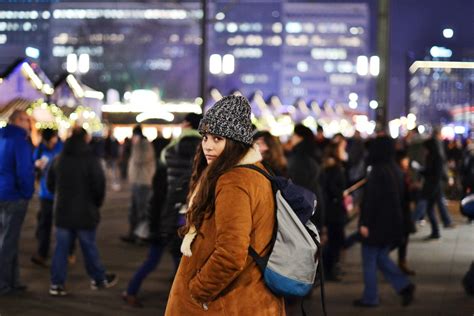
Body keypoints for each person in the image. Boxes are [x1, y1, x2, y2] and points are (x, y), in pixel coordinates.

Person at [165, 95, 285, 315]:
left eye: (217, 139)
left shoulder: (233, 180)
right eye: (205, 137)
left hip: (227, 302)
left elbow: (231, 253)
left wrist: (198, 290)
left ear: (235, 142)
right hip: (250, 296)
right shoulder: (256, 171)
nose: (208, 146)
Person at [122, 113, 202, 308]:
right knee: (182, 260)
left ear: (186, 125)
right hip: (189, 213)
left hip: (166, 211)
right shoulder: (205, 152)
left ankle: (131, 290)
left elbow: (159, 187)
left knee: (155, 257)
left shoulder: (170, 150)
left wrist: (154, 216)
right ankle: (181, 302)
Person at [47, 127, 117, 296]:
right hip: (85, 210)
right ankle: (98, 278)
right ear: (85, 139)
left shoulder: (59, 159)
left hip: (63, 211)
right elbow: (99, 186)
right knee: (88, 245)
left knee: (61, 248)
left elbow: (50, 185)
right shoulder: (91, 159)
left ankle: (57, 284)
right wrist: (96, 204)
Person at [354, 136, 415, 307]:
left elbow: (371, 200)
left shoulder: (378, 170)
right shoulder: (395, 169)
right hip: (391, 223)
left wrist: (364, 223)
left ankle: (370, 297)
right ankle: (404, 286)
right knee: (381, 257)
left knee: (369, 260)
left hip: (375, 224)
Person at [0, 110, 34, 296]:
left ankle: (13, 280)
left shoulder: (2, 137)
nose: (28, 124)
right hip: (14, 196)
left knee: (7, 239)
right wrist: (27, 192)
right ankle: (5, 283)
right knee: (8, 242)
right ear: (17, 121)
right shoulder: (19, 140)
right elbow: (24, 171)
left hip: (2, 192)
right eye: (26, 120)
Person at [30, 129, 65, 267]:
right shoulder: (40, 149)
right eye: (47, 142)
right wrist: (37, 165)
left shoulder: (62, 149)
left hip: (61, 193)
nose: (50, 144)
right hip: (45, 193)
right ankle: (42, 254)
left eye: (51, 141)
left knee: (63, 226)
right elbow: (33, 162)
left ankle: (67, 252)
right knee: (45, 224)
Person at [121, 125, 156, 244]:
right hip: (137, 181)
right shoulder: (139, 145)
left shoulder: (144, 144)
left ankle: (142, 235)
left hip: (143, 182)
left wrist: (135, 146)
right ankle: (133, 233)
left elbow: (139, 159)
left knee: (142, 210)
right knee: (134, 210)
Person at [321, 138, 348, 281]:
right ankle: (330, 270)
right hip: (334, 210)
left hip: (331, 209)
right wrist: (340, 193)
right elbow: (332, 188)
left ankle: (330, 269)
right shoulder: (335, 168)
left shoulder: (328, 167)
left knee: (334, 241)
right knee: (335, 241)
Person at [395, 150, 416, 275]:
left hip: (405, 211)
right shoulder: (398, 174)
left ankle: (402, 262)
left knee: (404, 240)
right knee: (398, 240)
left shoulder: (405, 174)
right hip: (400, 212)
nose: (407, 162)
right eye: (405, 160)